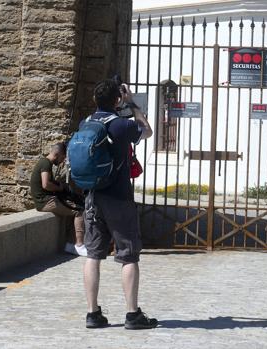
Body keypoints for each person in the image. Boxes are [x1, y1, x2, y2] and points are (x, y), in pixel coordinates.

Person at [82, 79, 157, 329]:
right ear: (117, 99)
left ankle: (93, 313)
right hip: (118, 198)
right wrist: (132, 103)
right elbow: (147, 131)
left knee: (93, 255)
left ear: (95, 100)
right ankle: (132, 314)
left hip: (93, 197)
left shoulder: (87, 123)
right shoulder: (120, 125)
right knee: (128, 256)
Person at [30, 143, 87, 256]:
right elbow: (46, 184)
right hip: (44, 202)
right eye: (62, 157)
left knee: (74, 206)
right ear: (57, 154)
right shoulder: (46, 164)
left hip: (45, 200)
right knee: (79, 210)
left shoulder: (44, 162)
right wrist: (60, 188)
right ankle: (79, 245)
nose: (62, 161)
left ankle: (71, 244)